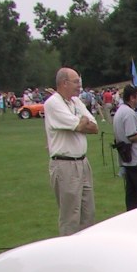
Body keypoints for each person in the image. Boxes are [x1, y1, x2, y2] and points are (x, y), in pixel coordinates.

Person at [44, 67, 98, 236]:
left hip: (83, 163)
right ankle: (67, 250)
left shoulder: (76, 102)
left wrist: (82, 123)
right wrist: (81, 122)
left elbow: (94, 127)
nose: (79, 86)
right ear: (64, 83)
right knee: (70, 217)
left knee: (88, 214)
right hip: (65, 164)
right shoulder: (53, 103)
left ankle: (86, 249)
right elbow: (80, 125)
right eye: (76, 82)